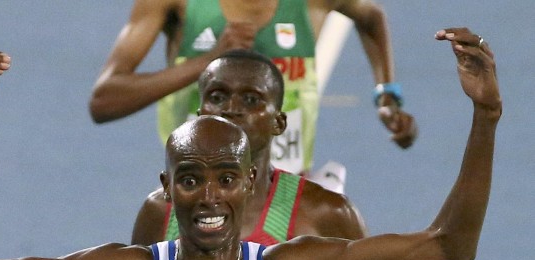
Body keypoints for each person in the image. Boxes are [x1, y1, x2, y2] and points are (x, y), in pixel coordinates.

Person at [0, 27, 500, 260]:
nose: (209, 196)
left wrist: (486, 118)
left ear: (248, 179)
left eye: (226, 179)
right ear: (168, 186)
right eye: (190, 180)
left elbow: (451, 245)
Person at [112, 48, 415, 260]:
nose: (231, 108)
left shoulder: (325, 212)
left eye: (251, 99)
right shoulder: (161, 210)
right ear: (201, 112)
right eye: (217, 97)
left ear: (278, 122)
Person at [89, 0, 418, 178]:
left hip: (285, 196)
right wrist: (209, 60)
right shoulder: (176, 4)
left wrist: (386, 95)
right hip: (197, 201)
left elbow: (371, 16)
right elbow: (104, 100)